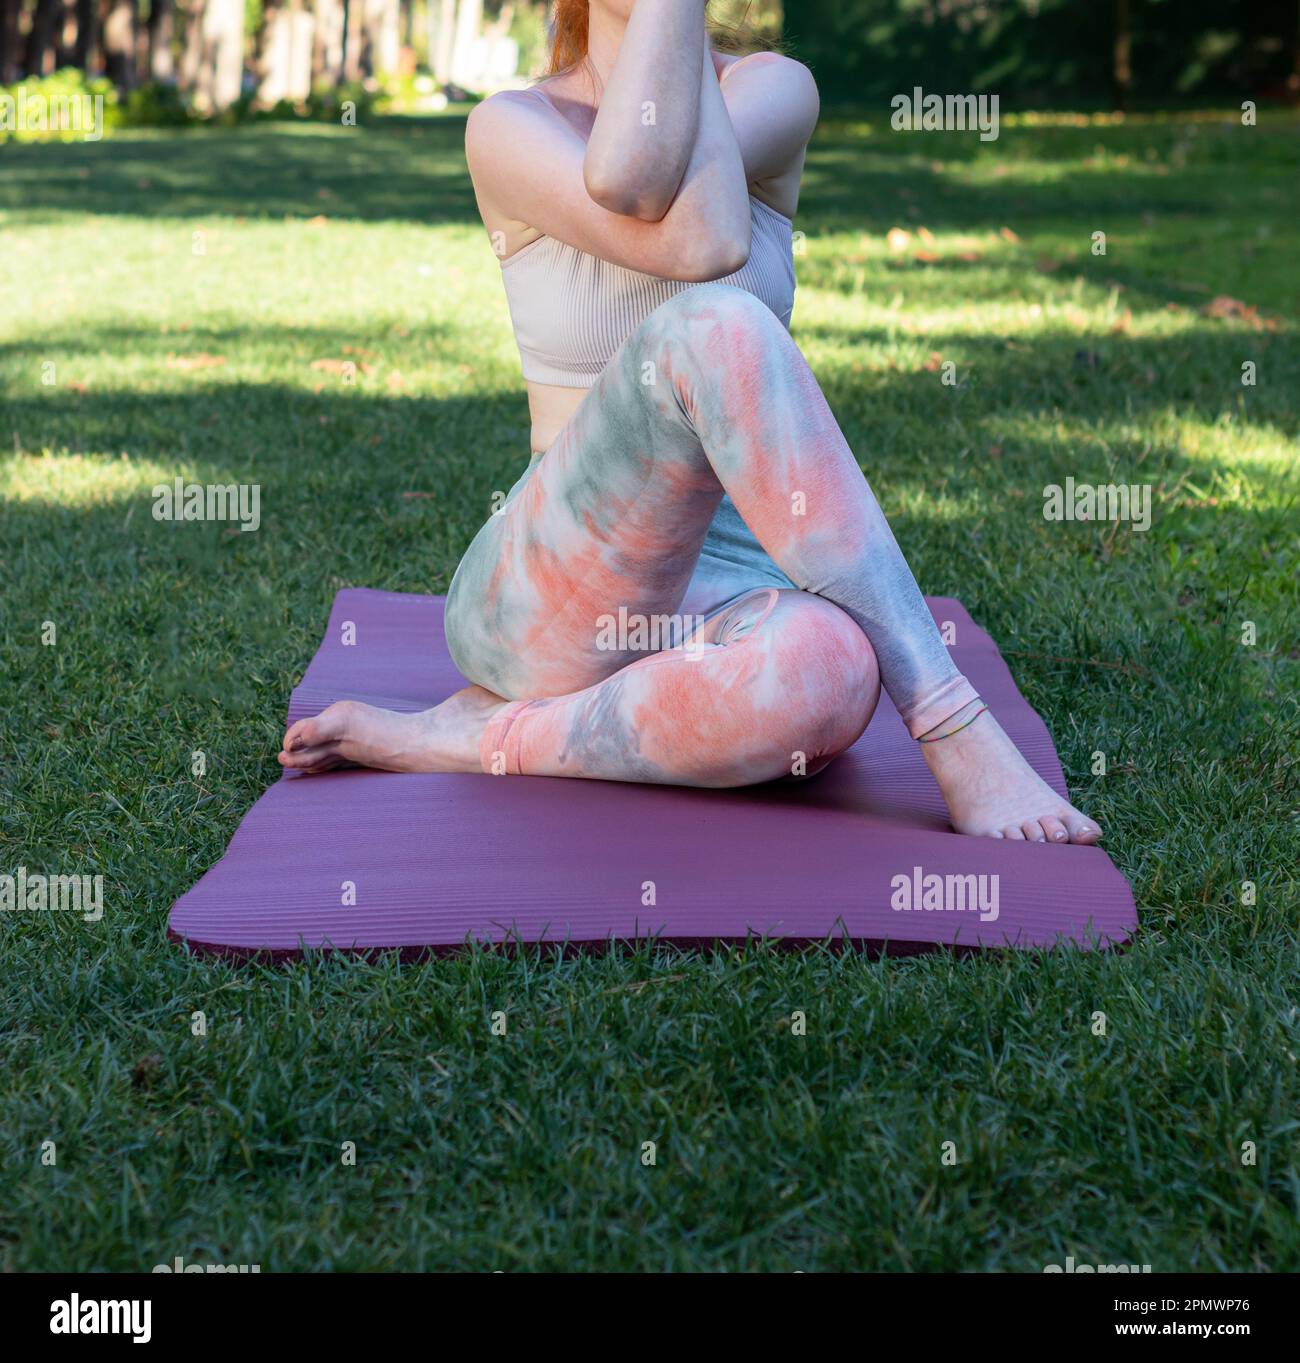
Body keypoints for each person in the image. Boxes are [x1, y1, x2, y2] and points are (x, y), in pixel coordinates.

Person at [280, 0, 1101, 845]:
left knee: (833, 674)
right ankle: (952, 723)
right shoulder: (507, 128)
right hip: (554, 587)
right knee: (718, 324)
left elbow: (674, 189)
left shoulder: (776, 89)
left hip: (735, 580)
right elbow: (687, 235)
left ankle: (477, 736)